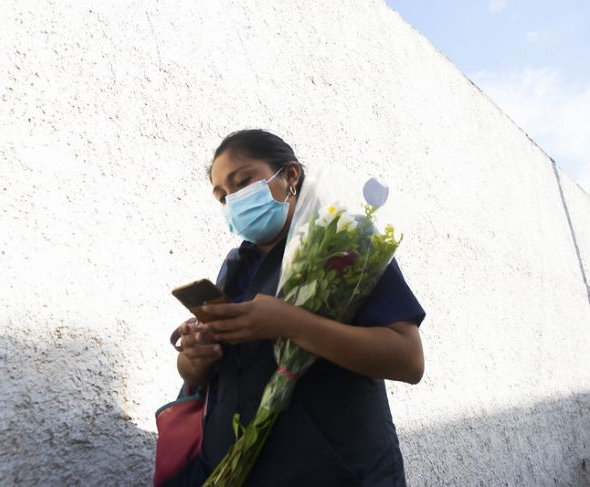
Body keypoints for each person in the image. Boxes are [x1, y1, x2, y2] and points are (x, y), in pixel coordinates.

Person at [166, 129, 426, 486]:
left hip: (333, 473)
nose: (233, 201)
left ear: (291, 175)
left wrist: (290, 323)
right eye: (222, 196)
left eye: (243, 183)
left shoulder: (346, 242)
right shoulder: (235, 267)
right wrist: (193, 359)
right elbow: (216, 375)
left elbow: (408, 359)